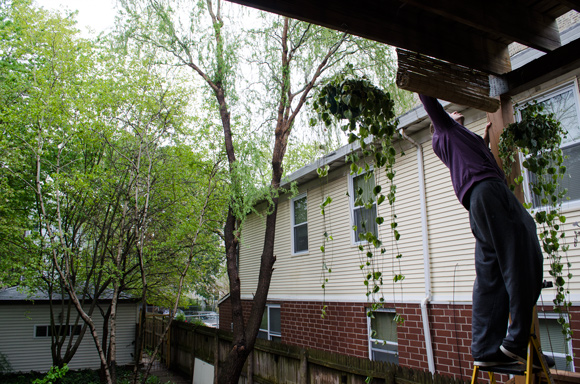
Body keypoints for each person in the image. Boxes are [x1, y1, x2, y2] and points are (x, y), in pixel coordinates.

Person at [419, 94, 553, 368]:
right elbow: (430, 102)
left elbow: (479, 154)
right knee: (522, 252)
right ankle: (516, 343)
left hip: (479, 204)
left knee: (490, 273)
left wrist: (484, 137)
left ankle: (485, 348)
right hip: (490, 194)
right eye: (452, 113)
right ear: (440, 123)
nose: (456, 112)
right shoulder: (444, 131)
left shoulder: (460, 142)